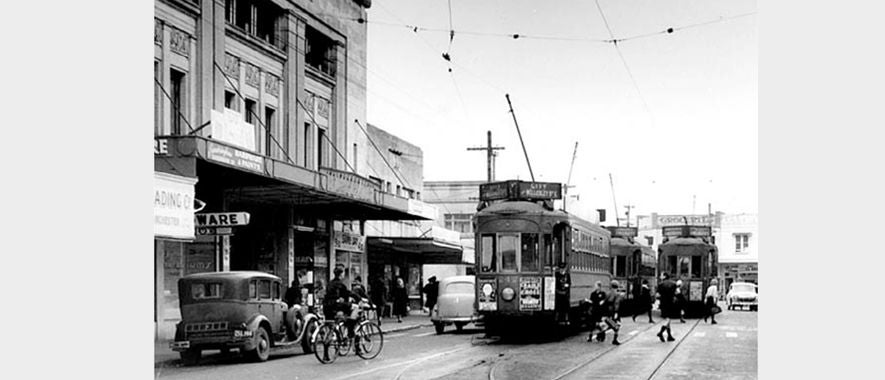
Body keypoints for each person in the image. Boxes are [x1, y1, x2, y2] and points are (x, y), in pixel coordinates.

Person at [595, 280, 624, 345]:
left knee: (611, 325)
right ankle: (614, 339)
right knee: (616, 326)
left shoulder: (608, 293)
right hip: (613, 312)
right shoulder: (617, 294)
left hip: (607, 312)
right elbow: (617, 303)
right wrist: (616, 312)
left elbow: (603, 303)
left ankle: (601, 334)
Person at [656, 272, 678, 342]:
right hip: (670, 303)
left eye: (661, 275)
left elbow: (657, 295)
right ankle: (661, 332)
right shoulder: (674, 284)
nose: (660, 277)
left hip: (663, 303)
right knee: (668, 319)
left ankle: (669, 336)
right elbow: (676, 293)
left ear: (664, 276)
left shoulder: (660, 284)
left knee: (667, 318)